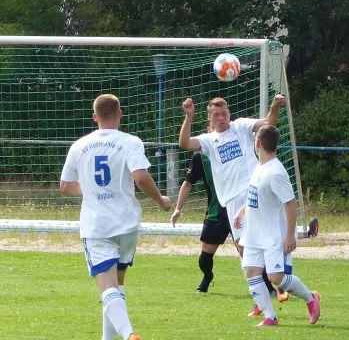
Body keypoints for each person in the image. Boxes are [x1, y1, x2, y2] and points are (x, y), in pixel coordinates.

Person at [60, 94, 171, 340]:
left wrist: (89, 188)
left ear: (94, 118)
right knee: (117, 285)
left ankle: (129, 334)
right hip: (126, 223)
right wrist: (160, 200)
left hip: (97, 226)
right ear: (120, 114)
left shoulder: (79, 145)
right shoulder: (131, 142)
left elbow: (66, 186)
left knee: (107, 288)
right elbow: (141, 178)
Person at [178, 95, 289, 312]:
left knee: (254, 246)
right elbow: (184, 143)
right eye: (216, 114)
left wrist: (275, 105)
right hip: (229, 201)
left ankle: (273, 289)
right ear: (209, 119)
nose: (221, 117)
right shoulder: (209, 140)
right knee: (244, 250)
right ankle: (264, 293)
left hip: (250, 194)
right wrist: (188, 117)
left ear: (229, 113)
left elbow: (268, 123)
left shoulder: (240, 127)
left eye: (224, 112)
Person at [233, 125, 321, 326]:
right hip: (254, 233)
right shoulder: (260, 166)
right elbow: (257, 194)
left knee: (276, 277)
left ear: (258, 143)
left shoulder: (276, 172)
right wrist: (242, 210)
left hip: (274, 234)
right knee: (251, 272)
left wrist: (290, 234)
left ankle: (311, 298)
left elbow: (290, 203)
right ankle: (270, 317)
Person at [170, 151, 278, 298]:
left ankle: (267, 287)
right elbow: (188, 183)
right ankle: (207, 276)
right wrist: (178, 209)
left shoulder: (237, 151)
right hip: (215, 213)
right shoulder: (200, 157)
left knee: (245, 251)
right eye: (212, 128)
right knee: (205, 257)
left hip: (238, 212)